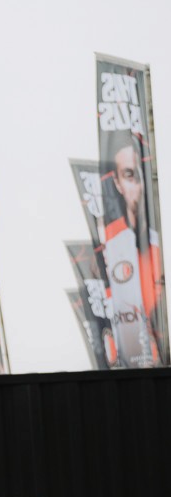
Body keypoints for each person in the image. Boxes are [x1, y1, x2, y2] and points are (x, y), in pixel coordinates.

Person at [103, 131, 164, 365]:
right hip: (133, 366)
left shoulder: (161, 245)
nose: (138, 185)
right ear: (117, 183)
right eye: (129, 175)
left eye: (140, 174)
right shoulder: (109, 250)